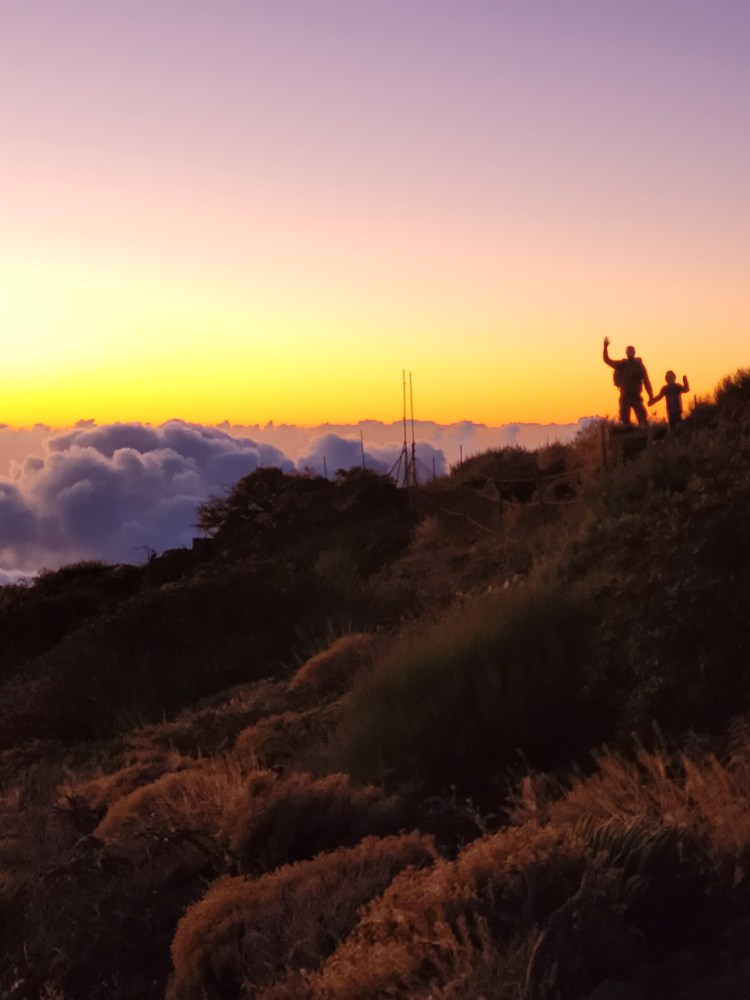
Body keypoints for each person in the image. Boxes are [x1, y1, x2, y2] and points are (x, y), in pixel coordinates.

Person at [602, 337, 654, 426]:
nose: (630, 352)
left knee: (642, 418)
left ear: (634, 352)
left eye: (631, 351)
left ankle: (644, 431)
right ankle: (627, 431)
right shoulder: (621, 364)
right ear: (626, 353)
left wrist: (651, 396)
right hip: (625, 396)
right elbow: (607, 360)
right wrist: (605, 347)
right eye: (629, 351)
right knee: (624, 419)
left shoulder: (639, 366)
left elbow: (646, 381)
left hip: (636, 395)